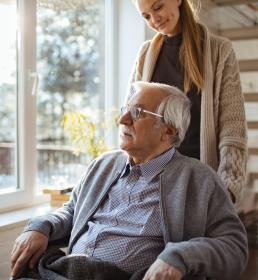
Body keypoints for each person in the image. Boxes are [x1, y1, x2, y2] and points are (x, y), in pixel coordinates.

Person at [11, 82, 248, 280]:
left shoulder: (199, 178)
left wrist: (180, 257)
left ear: (169, 131)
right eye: (126, 109)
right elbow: (71, 212)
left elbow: (235, 248)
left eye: (138, 113)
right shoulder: (103, 164)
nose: (123, 119)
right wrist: (41, 227)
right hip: (66, 272)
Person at [129, 0, 247, 206]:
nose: (154, 19)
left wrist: (227, 191)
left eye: (157, 7)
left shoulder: (220, 51)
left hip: (201, 185)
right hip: (153, 184)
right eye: (146, 16)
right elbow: (131, 121)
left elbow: (233, 130)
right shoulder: (145, 55)